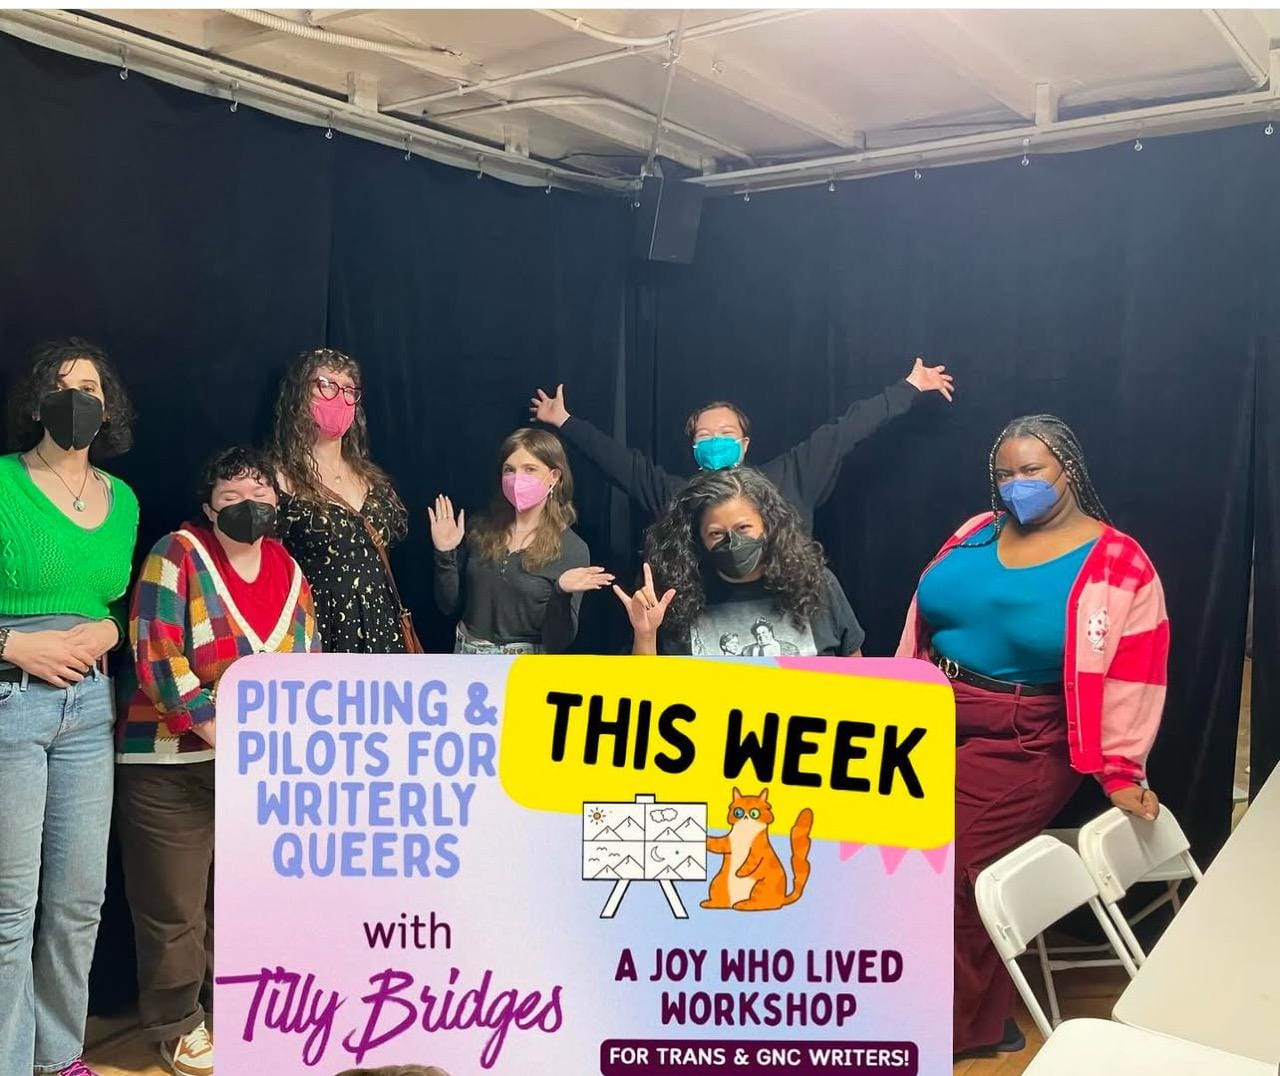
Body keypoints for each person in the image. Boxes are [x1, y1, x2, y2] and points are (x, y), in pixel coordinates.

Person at [896, 414, 1168, 1059]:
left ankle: (965, 1027)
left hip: (1026, 736)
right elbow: (921, 621)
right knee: (888, 855)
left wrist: (1122, 769)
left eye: (1031, 471)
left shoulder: (1118, 560)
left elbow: (1137, 665)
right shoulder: (974, 532)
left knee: (953, 866)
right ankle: (907, 997)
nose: (1017, 484)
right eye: (1005, 474)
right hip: (932, 713)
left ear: (1066, 471)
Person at [115, 447, 320, 1076]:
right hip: (169, 763)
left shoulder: (289, 570)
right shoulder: (176, 553)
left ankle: (243, 1010)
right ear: (209, 508)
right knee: (173, 906)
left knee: (246, 899)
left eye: (261, 495)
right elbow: (155, 650)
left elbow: (307, 659)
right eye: (233, 498)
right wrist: (212, 723)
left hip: (254, 769)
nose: (249, 508)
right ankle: (180, 1025)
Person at [0, 339, 140, 1076]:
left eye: (88, 385)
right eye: (60, 385)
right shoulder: (3, 485)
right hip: (11, 703)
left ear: (107, 405)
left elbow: (114, 602)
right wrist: (14, 646)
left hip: (89, 709)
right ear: (38, 401)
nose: (76, 397)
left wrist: (110, 628)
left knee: (79, 901)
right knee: (9, 908)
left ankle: (60, 1056)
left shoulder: (124, 501)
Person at [530, 357, 954, 531]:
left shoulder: (791, 475)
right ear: (693, 449)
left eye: (726, 434)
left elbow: (847, 429)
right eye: (704, 436)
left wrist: (910, 386)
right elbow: (620, 464)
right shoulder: (679, 495)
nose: (715, 441)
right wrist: (563, 421)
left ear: (746, 443)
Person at [613, 467, 864, 658]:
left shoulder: (817, 583)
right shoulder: (675, 598)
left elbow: (858, 675)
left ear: (768, 526)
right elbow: (649, 694)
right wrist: (645, 635)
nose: (732, 542)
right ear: (699, 539)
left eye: (743, 528)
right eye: (716, 533)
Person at [272, 346, 411, 653]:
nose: (339, 397)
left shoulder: (372, 479)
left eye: (348, 389)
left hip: (381, 625)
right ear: (299, 395)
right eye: (326, 385)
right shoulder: (279, 479)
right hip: (319, 627)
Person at [430, 429, 612, 654]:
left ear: (554, 477)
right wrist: (445, 554)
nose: (517, 479)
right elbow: (448, 605)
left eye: (530, 469)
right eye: (510, 470)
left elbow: (558, 641)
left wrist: (561, 593)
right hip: (468, 657)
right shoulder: (480, 527)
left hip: (525, 665)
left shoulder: (572, 549)